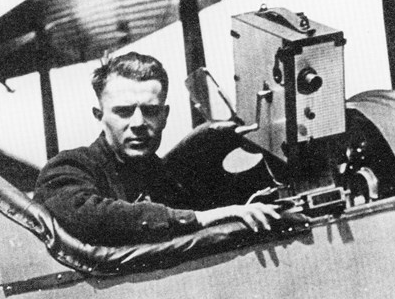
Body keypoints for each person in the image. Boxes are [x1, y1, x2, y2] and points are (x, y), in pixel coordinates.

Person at [34, 52, 282, 245]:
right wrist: (198, 218)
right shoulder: (69, 167)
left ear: (165, 115)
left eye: (150, 111)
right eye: (123, 111)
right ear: (99, 116)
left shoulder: (160, 175)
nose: (139, 123)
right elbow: (90, 216)